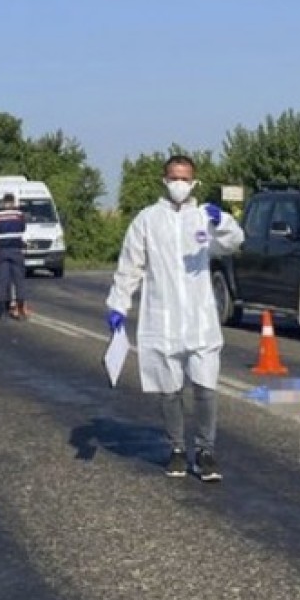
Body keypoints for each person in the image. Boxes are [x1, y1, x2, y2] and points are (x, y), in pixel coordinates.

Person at [105, 155, 245, 482]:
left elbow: (232, 243)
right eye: (174, 177)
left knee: (206, 386)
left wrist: (221, 222)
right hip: (162, 317)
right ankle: (177, 449)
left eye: (185, 178)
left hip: (199, 318)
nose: (180, 184)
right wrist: (118, 305)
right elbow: (130, 266)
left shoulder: (203, 218)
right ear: (164, 180)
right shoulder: (147, 220)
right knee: (169, 388)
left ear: (194, 181)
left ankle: (206, 451)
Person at [0, 192, 28, 319]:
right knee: (19, 280)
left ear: (3, 203)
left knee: (3, 281)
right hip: (16, 250)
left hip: (1, 251)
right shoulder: (19, 215)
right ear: (13, 202)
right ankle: (20, 307)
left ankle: (2, 310)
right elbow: (23, 230)